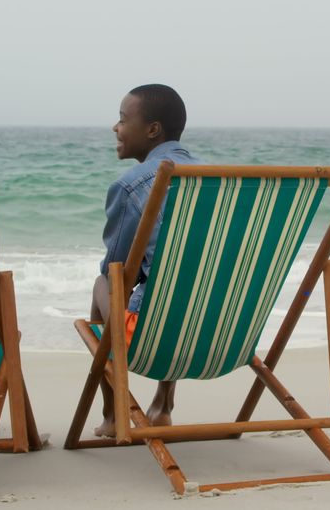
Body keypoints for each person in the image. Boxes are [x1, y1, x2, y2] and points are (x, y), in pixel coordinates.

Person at [90, 84, 200, 437]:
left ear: (153, 130)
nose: (115, 128)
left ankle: (112, 412)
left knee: (103, 283)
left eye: (123, 119)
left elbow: (118, 272)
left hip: (150, 335)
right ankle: (163, 404)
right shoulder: (220, 179)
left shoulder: (134, 184)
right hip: (221, 331)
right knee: (183, 278)